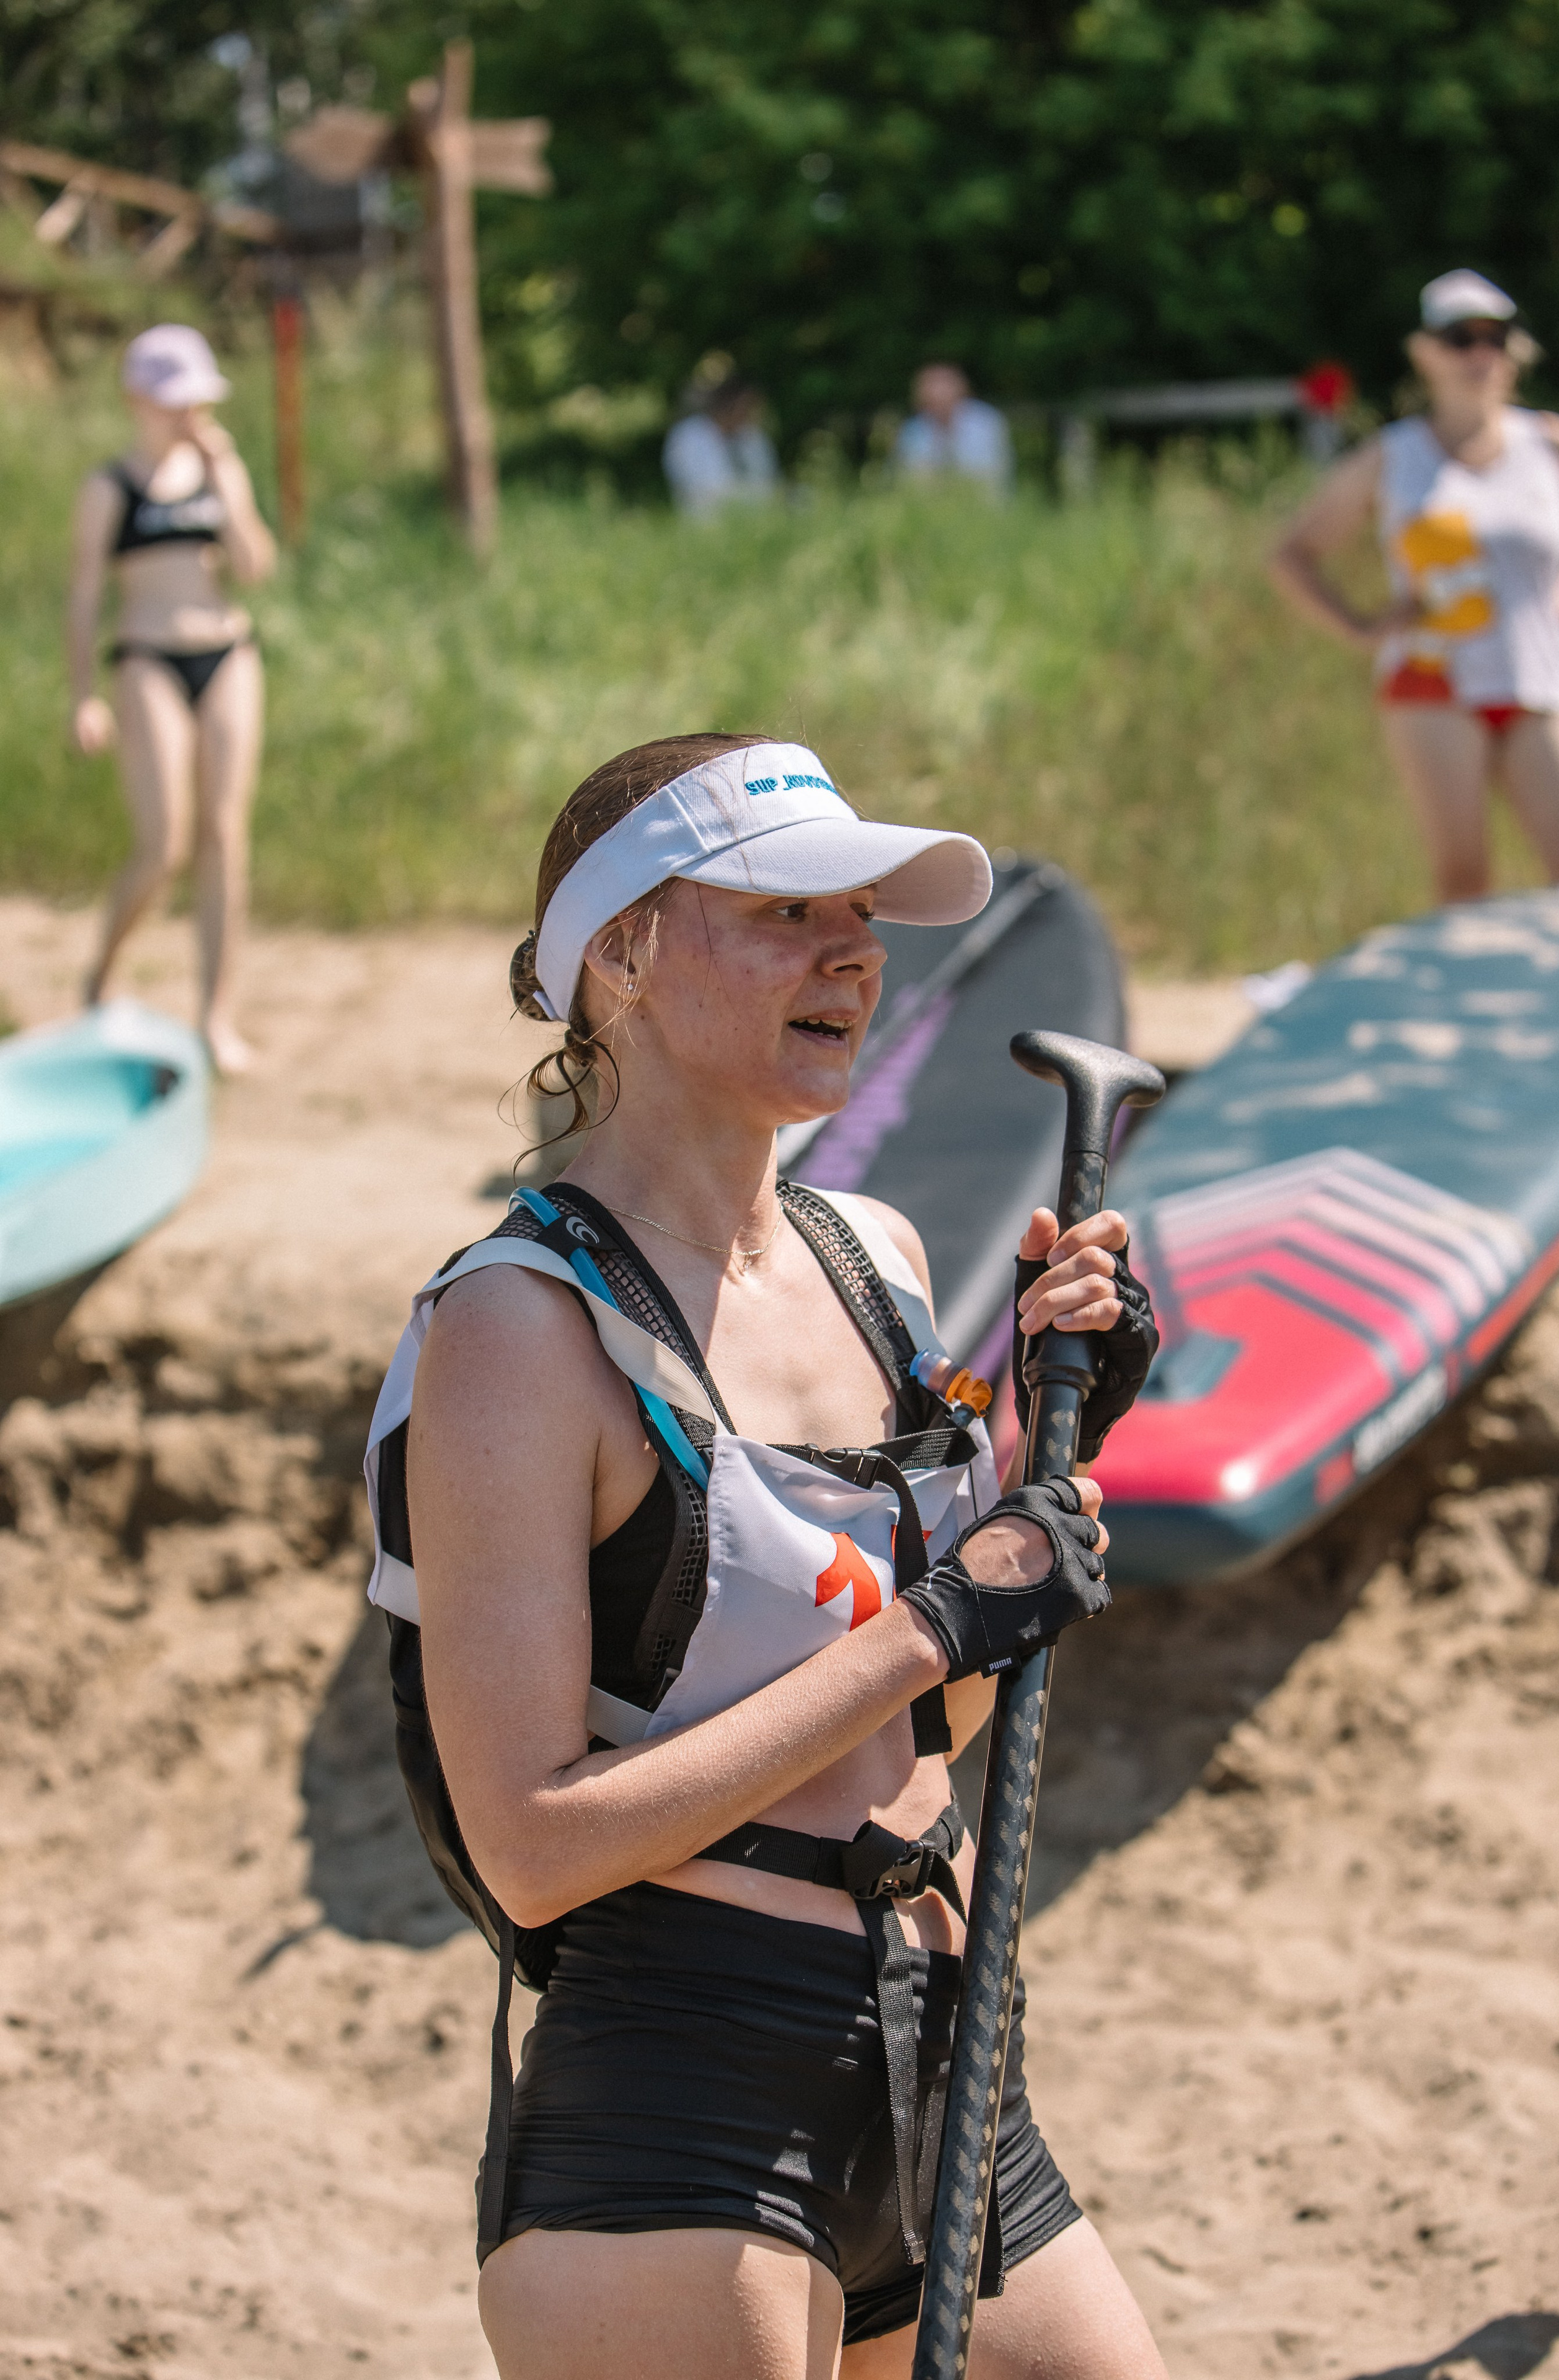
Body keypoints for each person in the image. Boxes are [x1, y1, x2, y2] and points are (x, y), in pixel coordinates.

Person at [366, 733, 1170, 2378]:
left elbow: (908, 1737)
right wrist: (941, 1620)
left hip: (949, 2072)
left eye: (865, 912)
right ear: (624, 959)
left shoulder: (875, 1258)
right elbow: (531, 1845)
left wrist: (1043, 1455)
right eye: (789, 909)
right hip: (685, 2103)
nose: (854, 948)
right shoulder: (518, 1330)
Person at [1269, 269, 1559, 904]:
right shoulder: (1394, 456)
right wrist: (1359, 626)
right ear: (1426, 351)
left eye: (1493, 338)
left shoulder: (1549, 444)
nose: (1478, 353)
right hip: (1433, 682)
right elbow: (1292, 554)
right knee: (1464, 881)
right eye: (1459, 338)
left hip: (1539, 675)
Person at [68, 322, 277, 1074]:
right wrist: (81, 695)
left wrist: (225, 481)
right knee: (164, 844)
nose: (187, 414)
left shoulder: (219, 468)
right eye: (173, 401)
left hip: (227, 653)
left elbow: (255, 565)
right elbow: (85, 592)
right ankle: (100, 972)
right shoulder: (110, 486)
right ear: (138, 400)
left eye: (195, 399)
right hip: (146, 657)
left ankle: (216, 1017)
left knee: (225, 834)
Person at [662, 374, 781, 516]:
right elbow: (705, 492)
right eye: (748, 408)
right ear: (730, 406)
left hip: (757, 521)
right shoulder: (687, 437)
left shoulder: (754, 438)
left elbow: (770, 482)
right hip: (707, 525)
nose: (753, 415)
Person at [896, 364, 1013, 496]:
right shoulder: (913, 429)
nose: (937, 393)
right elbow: (905, 476)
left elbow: (989, 473)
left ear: (960, 389)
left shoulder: (985, 423)